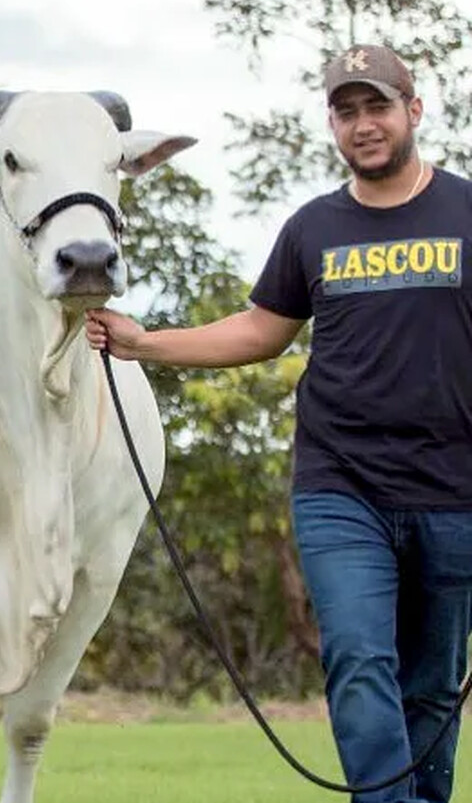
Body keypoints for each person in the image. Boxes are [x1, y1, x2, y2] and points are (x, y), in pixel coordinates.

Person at [86, 44, 472, 803]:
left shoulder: (465, 212)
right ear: (333, 123)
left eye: (377, 107)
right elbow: (263, 330)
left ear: (414, 111)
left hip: (454, 490)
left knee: (432, 685)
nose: (363, 125)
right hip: (341, 488)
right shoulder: (312, 228)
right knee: (360, 658)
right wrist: (144, 343)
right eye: (346, 110)